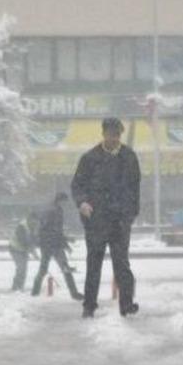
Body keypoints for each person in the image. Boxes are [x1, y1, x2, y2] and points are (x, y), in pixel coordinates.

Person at [71, 117, 141, 318]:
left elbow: (135, 188)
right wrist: (82, 202)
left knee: (122, 263)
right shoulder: (90, 158)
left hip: (120, 220)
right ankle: (89, 305)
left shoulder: (129, 157)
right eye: (111, 134)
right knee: (94, 263)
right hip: (97, 220)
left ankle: (126, 304)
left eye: (118, 134)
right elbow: (77, 185)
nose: (114, 138)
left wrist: (131, 214)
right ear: (103, 134)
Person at [31, 192, 84, 301]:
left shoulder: (51, 210)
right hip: (54, 245)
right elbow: (56, 231)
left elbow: (50, 229)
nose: (66, 204)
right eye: (65, 201)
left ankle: (34, 292)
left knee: (43, 269)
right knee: (65, 269)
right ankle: (74, 293)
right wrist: (65, 243)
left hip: (47, 244)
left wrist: (65, 241)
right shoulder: (56, 211)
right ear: (61, 201)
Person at [9, 212, 39, 292]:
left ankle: (21, 286)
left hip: (23, 249)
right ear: (30, 219)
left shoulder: (32, 227)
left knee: (24, 268)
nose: (35, 223)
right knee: (21, 267)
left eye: (36, 222)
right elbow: (23, 240)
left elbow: (33, 240)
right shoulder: (22, 226)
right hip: (15, 248)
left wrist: (34, 251)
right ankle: (15, 287)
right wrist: (31, 250)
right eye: (34, 221)